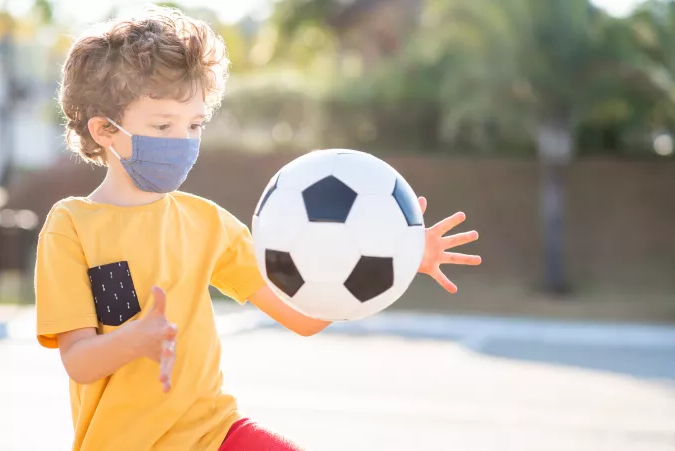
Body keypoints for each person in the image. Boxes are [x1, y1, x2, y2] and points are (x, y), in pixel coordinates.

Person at [34, 6, 482, 451]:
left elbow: (303, 318)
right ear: (105, 131)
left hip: (215, 433)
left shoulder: (207, 223)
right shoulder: (71, 227)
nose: (184, 142)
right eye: (163, 126)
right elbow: (79, 361)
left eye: (194, 125)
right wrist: (135, 338)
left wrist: (400, 257)